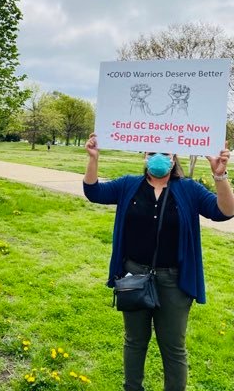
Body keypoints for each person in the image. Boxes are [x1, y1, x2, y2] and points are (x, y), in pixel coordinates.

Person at [83, 133, 234, 391]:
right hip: (134, 277)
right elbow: (94, 191)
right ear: (144, 156)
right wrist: (93, 159)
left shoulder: (188, 189)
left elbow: (225, 211)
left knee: (173, 346)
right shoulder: (129, 185)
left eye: (165, 153)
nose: (158, 158)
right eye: (152, 152)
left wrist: (219, 176)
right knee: (134, 341)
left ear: (174, 157)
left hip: (174, 282)